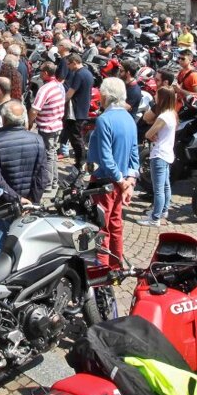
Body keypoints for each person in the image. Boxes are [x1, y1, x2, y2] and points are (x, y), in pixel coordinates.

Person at [0, 101, 50, 260]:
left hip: (1, 205)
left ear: (4, 119)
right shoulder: (37, 140)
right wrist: (32, 202)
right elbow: (42, 177)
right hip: (26, 205)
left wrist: (18, 199)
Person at [88, 78, 139, 267]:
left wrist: (122, 181)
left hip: (105, 182)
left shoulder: (104, 120)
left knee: (101, 226)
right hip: (120, 181)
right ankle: (116, 265)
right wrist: (129, 181)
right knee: (115, 224)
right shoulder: (129, 119)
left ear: (105, 96)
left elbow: (106, 158)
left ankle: (102, 268)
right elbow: (134, 154)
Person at [143, 86, 178, 226]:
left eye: (157, 95)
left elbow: (148, 133)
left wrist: (150, 134)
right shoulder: (172, 113)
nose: (155, 97)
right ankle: (163, 211)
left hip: (159, 154)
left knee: (158, 189)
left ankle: (155, 218)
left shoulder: (163, 116)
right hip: (167, 153)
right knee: (165, 186)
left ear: (162, 98)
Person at [29, 63, 66, 193]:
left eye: (41, 71)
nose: (39, 73)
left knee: (48, 155)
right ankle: (54, 181)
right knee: (52, 153)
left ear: (45, 73)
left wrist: (29, 122)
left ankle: (48, 183)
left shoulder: (45, 89)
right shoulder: (59, 86)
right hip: (57, 124)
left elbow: (35, 109)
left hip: (47, 126)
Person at [61, 54, 95, 167]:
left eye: (69, 64)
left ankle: (81, 163)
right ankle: (81, 161)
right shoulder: (87, 73)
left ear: (74, 62)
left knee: (76, 138)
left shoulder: (79, 74)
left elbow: (69, 94)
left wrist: (60, 103)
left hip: (76, 112)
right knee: (76, 137)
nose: (68, 66)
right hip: (82, 109)